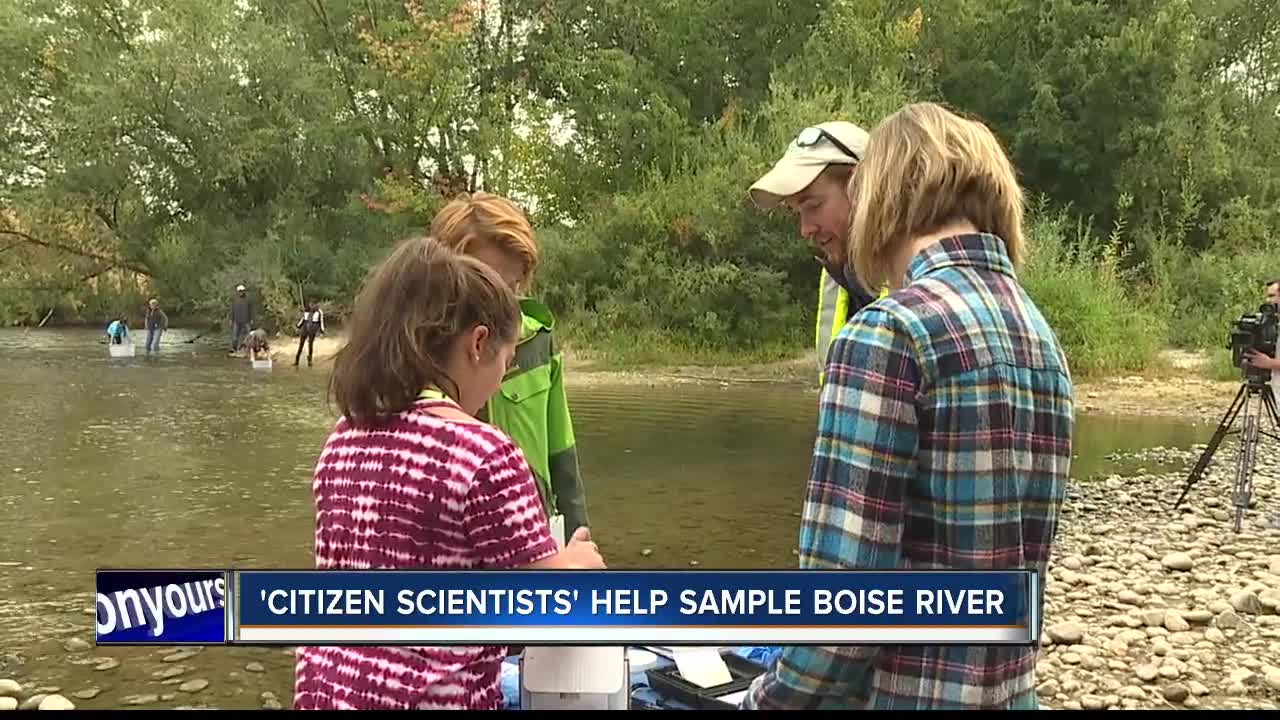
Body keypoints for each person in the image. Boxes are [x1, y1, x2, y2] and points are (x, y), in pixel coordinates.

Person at [743, 103, 1074, 710]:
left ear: (882, 194)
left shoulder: (889, 333)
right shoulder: (1039, 334)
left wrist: (765, 700)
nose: (808, 229)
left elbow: (843, 605)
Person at [293, 236, 605, 711]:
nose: (503, 377)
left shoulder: (343, 437)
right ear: (478, 344)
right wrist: (578, 564)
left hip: (326, 695)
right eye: (507, 360)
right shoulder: (484, 454)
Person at [430, 191, 589, 546]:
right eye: (485, 284)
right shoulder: (417, 353)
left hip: (536, 540)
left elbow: (563, 455)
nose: (500, 304)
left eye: (512, 287)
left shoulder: (536, 340)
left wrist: (578, 540)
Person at [749, 121, 881, 383]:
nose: (805, 229)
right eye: (797, 213)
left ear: (861, 185)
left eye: (813, 206)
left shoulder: (926, 285)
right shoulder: (838, 275)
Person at [294, 301, 325, 367]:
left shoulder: (319, 312)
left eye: (313, 304)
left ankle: (310, 360)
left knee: (310, 344)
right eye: (311, 304)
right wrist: (298, 326)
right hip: (305, 328)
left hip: (313, 328)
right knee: (301, 344)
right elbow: (303, 319)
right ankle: (297, 360)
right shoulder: (306, 311)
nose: (312, 305)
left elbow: (321, 322)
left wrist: (322, 331)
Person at [230, 284, 254, 354]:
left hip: (246, 320)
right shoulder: (235, 299)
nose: (241, 292)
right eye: (240, 291)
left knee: (249, 335)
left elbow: (251, 310)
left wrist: (252, 319)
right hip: (236, 320)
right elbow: (232, 310)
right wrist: (231, 319)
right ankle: (234, 348)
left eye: (242, 291)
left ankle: (249, 348)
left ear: (244, 291)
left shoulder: (248, 299)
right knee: (235, 336)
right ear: (238, 291)